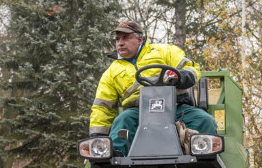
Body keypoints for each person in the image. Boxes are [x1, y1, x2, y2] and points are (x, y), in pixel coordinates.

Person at [89, 20, 218, 156]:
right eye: (117, 39)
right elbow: (102, 107)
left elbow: (192, 68)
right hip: (138, 114)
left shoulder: (164, 51)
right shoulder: (111, 72)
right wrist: (97, 138)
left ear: (140, 39)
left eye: (126, 38)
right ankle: (117, 161)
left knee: (205, 120)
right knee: (123, 120)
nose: (120, 43)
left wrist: (180, 76)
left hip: (176, 109)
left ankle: (202, 156)